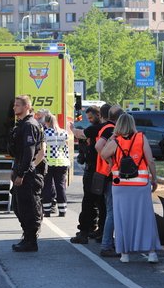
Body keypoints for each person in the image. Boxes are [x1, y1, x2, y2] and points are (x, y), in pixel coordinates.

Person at [100, 113, 161, 263]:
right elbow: (150, 161)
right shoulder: (141, 138)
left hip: (120, 185)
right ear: (132, 124)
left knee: (122, 219)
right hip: (140, 184)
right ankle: (152, 253)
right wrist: (154, 178)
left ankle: (125, 254)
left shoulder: (116, 141)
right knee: (145, 217)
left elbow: (103, 153)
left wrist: (111, 162)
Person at [9, 94, 45, 252]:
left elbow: (29, 152)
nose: (14, 107)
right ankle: (27, 236)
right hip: (21, 168)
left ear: (26, 107)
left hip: (28, 174)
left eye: (17, 105)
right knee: (18, 206)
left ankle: (31, 240)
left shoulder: (29, 125)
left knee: (27, 207)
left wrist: (22, 174)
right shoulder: (22, 124)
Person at [69, 106, 104, 244]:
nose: (89, 120)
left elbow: (80, 133)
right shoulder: (105, 128)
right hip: (99, 170)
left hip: (95, 170)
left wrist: (71, 129)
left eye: (90, 117)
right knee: (99, 202)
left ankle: (84, 231)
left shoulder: (98, 128)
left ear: (98, 115)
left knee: (89, 201)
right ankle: (96, 229)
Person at [95, 105, 122, 258]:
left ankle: (109, 243)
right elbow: (99, 146)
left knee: (110, 211)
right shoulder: (110, 129)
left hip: (104, 174)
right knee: (112, 211)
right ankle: (107, 245)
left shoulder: (105, 127)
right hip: (109, 175)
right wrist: (110, 162)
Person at [40, 111, 70, 217]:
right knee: (60, 186)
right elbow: (66, 149)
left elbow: (42, 149)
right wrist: (68, 161)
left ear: (46, 123)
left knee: (47, 186)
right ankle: (62, 210)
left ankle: (47, 210)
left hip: (49, 163)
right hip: (62, 162)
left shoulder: (44, 133)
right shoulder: (63, 133)